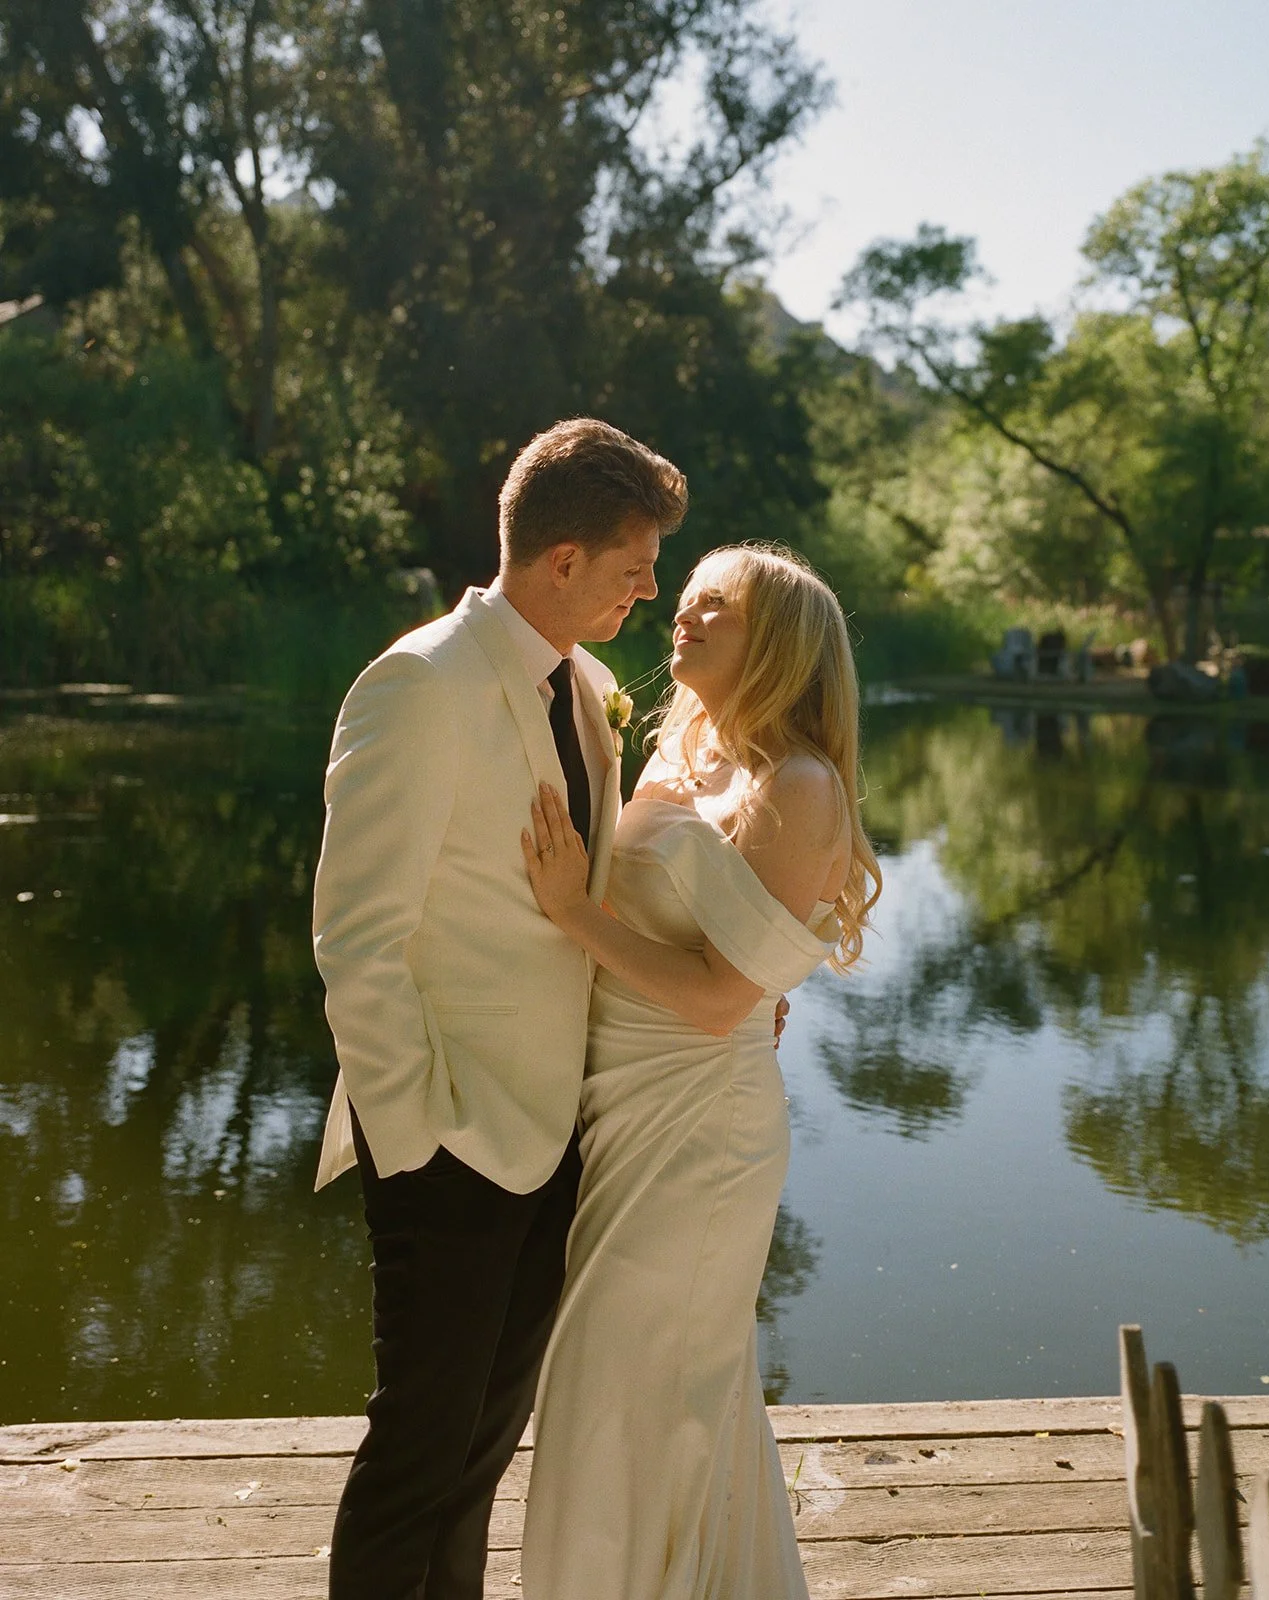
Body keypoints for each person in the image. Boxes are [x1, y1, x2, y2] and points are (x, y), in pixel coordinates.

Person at [311, 416, 688, 1600]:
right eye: (633, 566)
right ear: (561, 561)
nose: (648, 589)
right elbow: (356, 941)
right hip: (448, 1135)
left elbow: (589, 895)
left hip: (552, 1132)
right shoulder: (417, 685)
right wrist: (417, 1128)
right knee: (418, 1451)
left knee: (479, 1457)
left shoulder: (582, 687)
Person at [518, 543, 882, 1600]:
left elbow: (726, 995)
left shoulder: (799, 783)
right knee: (627, 1387)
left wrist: (572, 913)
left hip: (700, 1125)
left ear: (778, 641)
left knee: (636, 1381)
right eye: (683, 602)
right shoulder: (680, 751)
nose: (681, 618)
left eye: (713, 607)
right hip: (618, 1103)